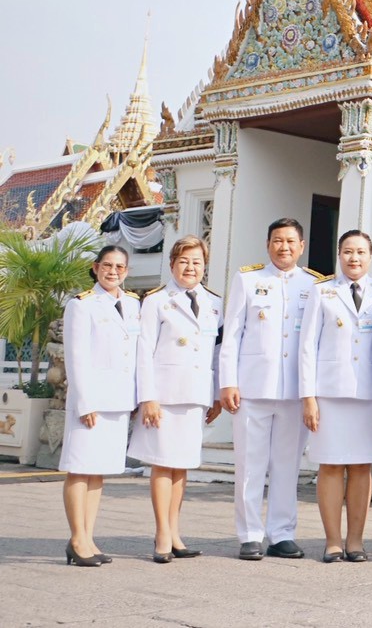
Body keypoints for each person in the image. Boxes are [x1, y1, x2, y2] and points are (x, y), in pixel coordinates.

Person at [218, 218, 319, 560]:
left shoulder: (314, 284)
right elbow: (232, 334)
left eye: (290, 241)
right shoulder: (248, 279)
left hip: (294, 391)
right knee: (250, 465)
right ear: (268, 244)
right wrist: (228, 381)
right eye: (277, 240)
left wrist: (312, 392)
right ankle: (249, 534)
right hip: (252, 387)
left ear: (301, 246)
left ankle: (282, 534)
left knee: (287, 466)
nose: (284, 247)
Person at [128, 236, 223, 562]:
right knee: (163, 464)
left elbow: (216, 353)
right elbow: (144, 352)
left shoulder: (214, 303)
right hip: (164, 396)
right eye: (184, 261)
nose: (190, 267)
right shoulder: (156, 301)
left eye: (197, 262)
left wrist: (216, 395)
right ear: (172, 264)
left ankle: (175, 532)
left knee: (182, 466)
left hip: (195, 395)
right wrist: (148, 398)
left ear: (204, 266)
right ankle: (161, 534)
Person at [298, 230, 372, 563]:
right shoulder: (322, 291)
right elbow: (307, 346)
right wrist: (308, 396)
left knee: (362, 467)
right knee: (332, 465)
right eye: (348, 251)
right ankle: (333, 540)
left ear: (371, 255)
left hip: (369, 394)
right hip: (330, 393)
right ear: (339, 254)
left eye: (361, 252)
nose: (354, 258)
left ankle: (356, 540)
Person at [60, 245, 137, 567]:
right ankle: (77, 538)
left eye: (119, 267)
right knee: (80, 468)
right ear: (95, 268)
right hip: (91, 401)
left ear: (126, 271)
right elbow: (76, 357)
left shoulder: (132, 303)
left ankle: (88, 537)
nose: (113, 272)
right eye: (107, 265)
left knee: (97, 472)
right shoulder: (82, 305)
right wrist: (84, 402)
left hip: (118, 400)